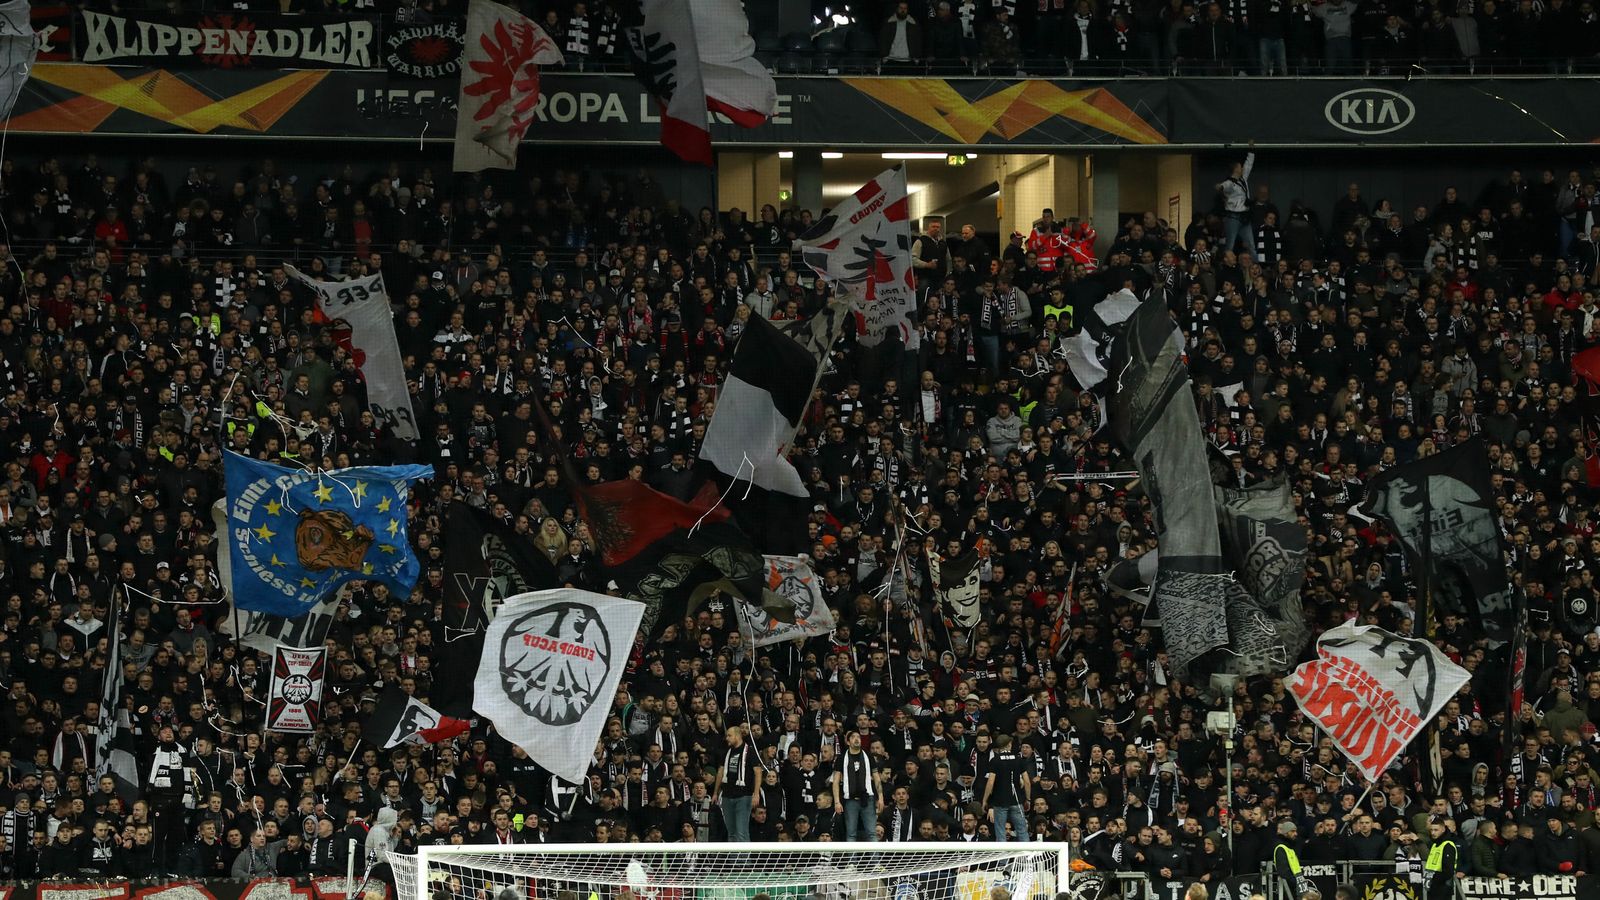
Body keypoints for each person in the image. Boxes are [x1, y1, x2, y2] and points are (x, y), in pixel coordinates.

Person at [833, 730, 883, 842]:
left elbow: (876, 777)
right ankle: (852, 860)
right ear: (848, 741)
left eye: (858, 737)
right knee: (851, 834)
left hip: (868, 799)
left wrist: (880, 798)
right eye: (853, 737)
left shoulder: (868, 756)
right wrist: (837, 801)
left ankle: (876, 860)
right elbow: (836, 781)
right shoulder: (841, 758)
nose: (856, 739)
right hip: (850, 800)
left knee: (872, 833)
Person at [715, 725, 760, 843]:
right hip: (727, 796)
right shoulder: (726, 751)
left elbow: (758, 772)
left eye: (729, 735)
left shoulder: (749, 751)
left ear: (738, 736)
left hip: (743, 796)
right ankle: (734, 861)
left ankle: (745, 862)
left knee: (741, 832)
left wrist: (756, 794)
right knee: (731, 833)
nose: (727, 738)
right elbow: (720, 772)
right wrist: (715, 792)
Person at [981, 734, 1030, 843]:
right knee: (1022, 831)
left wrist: (985, 800)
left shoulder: (995, 760)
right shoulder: (1018, 759)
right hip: (1016, 801)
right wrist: (1028, 799)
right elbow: (1026, 781)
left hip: (1000, 802)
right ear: (1009, 744)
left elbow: (990, 782)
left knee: (1000, 833)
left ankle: (1003, 860)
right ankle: (1027, 859)